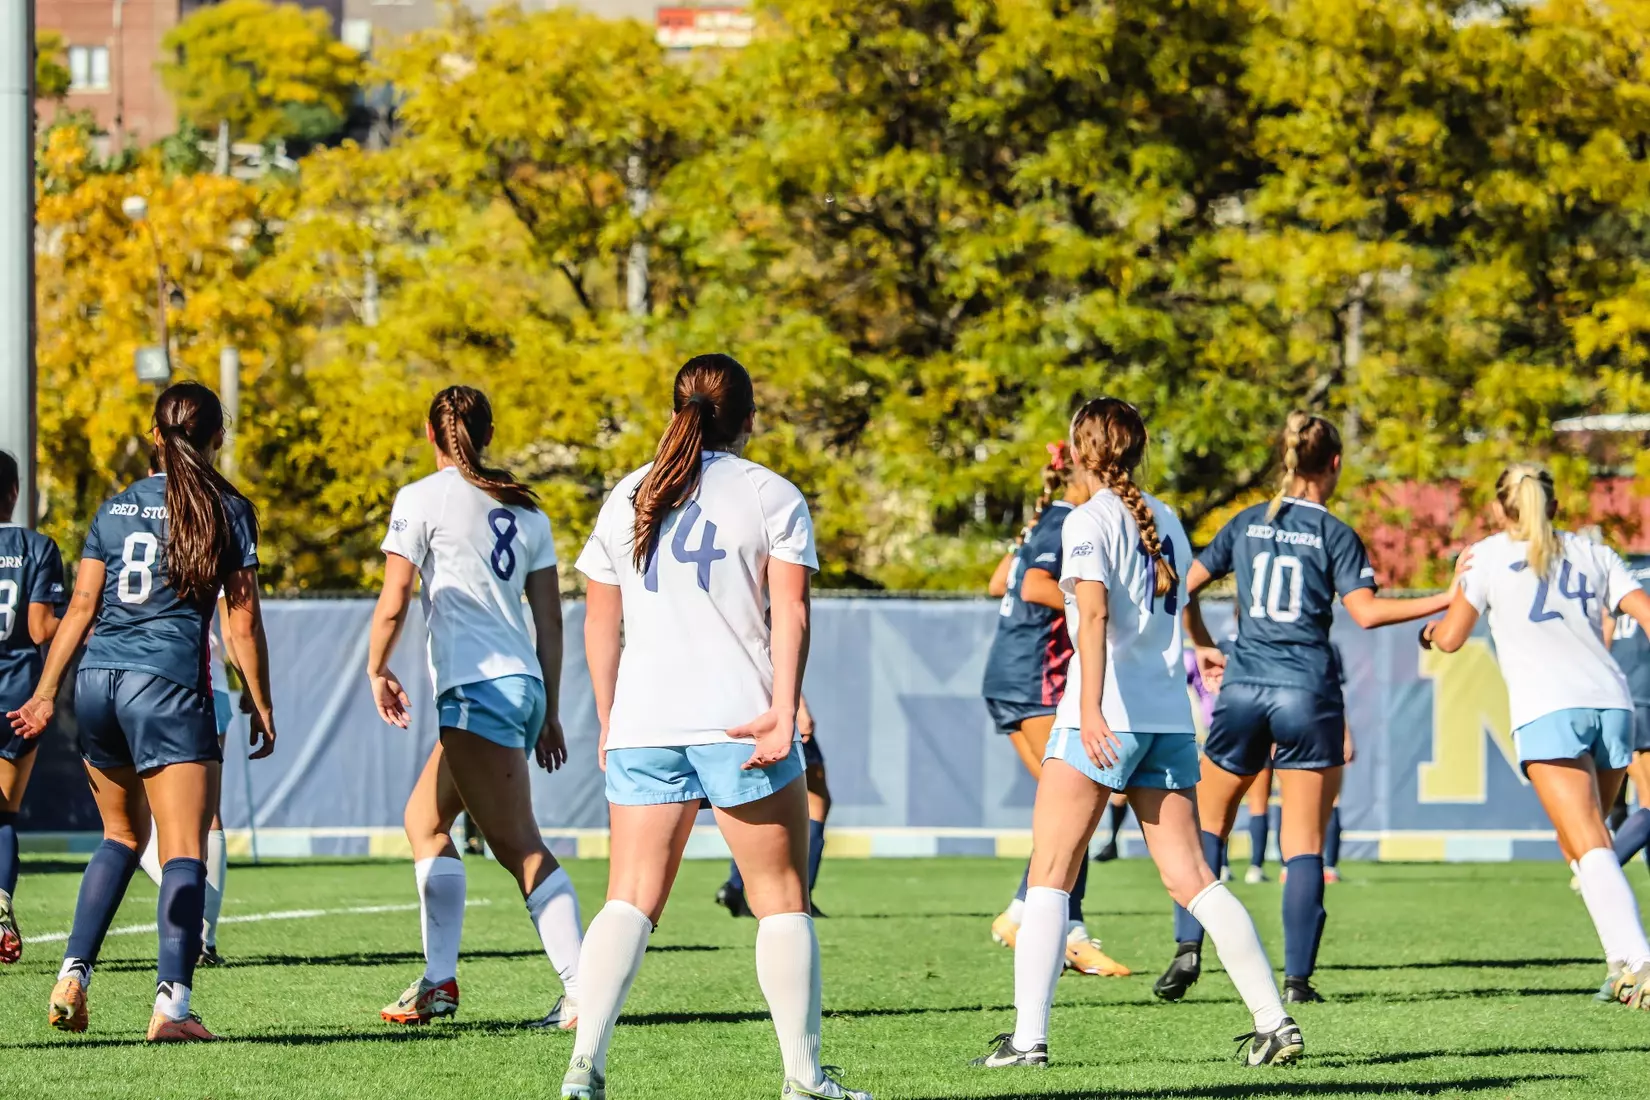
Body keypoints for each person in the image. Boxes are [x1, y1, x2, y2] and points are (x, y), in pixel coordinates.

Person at [564, 354, 870, 1100]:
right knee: (781, 899)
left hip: (645, 724)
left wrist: (611, 722)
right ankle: (803, 1079)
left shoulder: (627, 493)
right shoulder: (771, 493)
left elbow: (599, 621)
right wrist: (785, 709)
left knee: (628, 897)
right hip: (740, 722)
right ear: (749, 418)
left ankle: (583, 1068)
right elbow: (790, 613)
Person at [971, 398, 1301, 1071]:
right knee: (1193, 879)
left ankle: (1027, 1041)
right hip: (1166, 720)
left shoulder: (1089, 520)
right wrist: (1197, 648)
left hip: (1107, 717)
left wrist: (1088, 710)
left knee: (1050, 877)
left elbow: (1090, 620)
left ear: (1080, 448)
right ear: (1138, 449)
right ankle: (1274, 1021)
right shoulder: (1170, 519)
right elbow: (1172, 610)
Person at [1153, 412, 1455, 1006]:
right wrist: (1447, 596)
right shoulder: (1336, 533)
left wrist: (1201, 642)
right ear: (1334, 465)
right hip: (1308, 690)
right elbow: (1366, 613)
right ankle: (1296, 980)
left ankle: (1189, 949)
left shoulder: (1246, 522)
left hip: (1243, 687)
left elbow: (1180, 587)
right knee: (1303, 842)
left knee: (1208, 824)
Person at [9, 382, 276, 1042]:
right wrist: (261, 701)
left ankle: (74, 972)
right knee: (184, 849)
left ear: (153, 436)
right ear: (219, 437)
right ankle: (173, 1009)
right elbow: (240, 623)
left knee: (120, 838)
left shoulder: (115, 506)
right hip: (167, 686)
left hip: (97, 684)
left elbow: (79, 610)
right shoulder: (229, 508)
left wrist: (45, 694)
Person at [368, 385, 583, 1028]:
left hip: (474, 689)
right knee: (423, 821)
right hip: (518, 685)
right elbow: (550, 619)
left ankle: (584, 989)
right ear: (486, 434)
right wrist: (547, 708)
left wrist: (377, 667)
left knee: (520, 846)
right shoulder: (527, 510)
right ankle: (439, 981)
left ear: (432, 436)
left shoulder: (421, 499)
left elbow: (394, 598)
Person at [1423, 465, 1650, 1005]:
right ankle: (1621, 961)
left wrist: (1430, 631)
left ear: (1502, 508)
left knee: (1589, 840)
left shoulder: (1488, 554)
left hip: (1549, 707)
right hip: (1612, 705)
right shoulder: (1594, 551)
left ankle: (1639, 960)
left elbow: (1452, 639)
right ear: (1552, 503)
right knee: (1580, 840)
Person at [982, 441, 1128, 978]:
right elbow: (1030, 583)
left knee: (1061, 809)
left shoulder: (1045, 520)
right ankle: (1070, 932)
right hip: (1035, 676)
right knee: (1078, 800)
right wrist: (1092, 605)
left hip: (1008, 671)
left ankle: (1023, 912)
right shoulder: (1069, 520)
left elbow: (1000, 581)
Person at [138, 594, 235, 966]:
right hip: (208, 683)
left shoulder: (130, 536)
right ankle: (203, 935)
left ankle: (194, 913)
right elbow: (235, 626)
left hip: (142, 682)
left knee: (132, 818)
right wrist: (255, 692)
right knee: (206, 810)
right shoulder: (213, 537)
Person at [0, 450, 66, 963]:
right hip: (19, 698)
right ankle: (0, 900)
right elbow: (44, 628)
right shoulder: (36, 546)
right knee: (2, 814)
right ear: (15, 492)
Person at [715, 694, 830, 919]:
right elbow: (773, 660)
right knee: (812, 803)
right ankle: (800, 893)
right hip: (770, 710)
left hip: (732, 711)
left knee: (754, 803)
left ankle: (736, 886)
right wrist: (801, 708)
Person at [1605, 556, 1650, 872]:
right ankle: (1600, 869)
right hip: (1644, 698)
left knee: (1619, 801)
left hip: (1614, 697)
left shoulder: (1621, 571)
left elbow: (1602, 637)